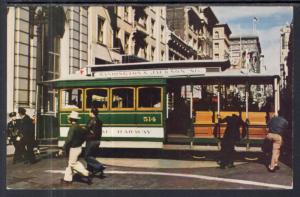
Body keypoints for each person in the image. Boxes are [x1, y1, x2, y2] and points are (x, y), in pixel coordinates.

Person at [59, 111, 91, 184]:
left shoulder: (72, 128)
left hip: (74, 148)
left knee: (72, 163)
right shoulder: (80, 127)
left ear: (71, 119)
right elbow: (84, 136)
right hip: (79, 147)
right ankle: (67, 179)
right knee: (70, 163)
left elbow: (69, 139)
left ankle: (86, 173)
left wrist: (62, 148)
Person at [85, 107, 105, 177]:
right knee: (92, 156)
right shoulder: (99, 121)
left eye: (89, 112)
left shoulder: (91, 120)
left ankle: (99, 166)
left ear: (92, 113)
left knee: (87, 156)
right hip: (98, 141)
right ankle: (90, 171)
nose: (88, 113)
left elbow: (86, 129)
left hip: (91, 141)